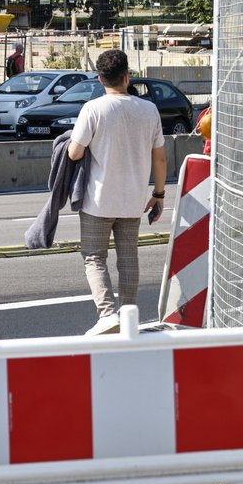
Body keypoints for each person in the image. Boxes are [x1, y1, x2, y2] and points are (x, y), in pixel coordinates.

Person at [68, 49, 167, 335]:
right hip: (133, 199)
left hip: (98, 200)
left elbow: (75, 152)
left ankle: (108, 315)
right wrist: (159, 194)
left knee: (94, 256)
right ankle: (129, 314)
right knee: (128, 258)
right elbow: (160, 158)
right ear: (127, 76)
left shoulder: (94, 109)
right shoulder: (149, 110)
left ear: (100, 79)